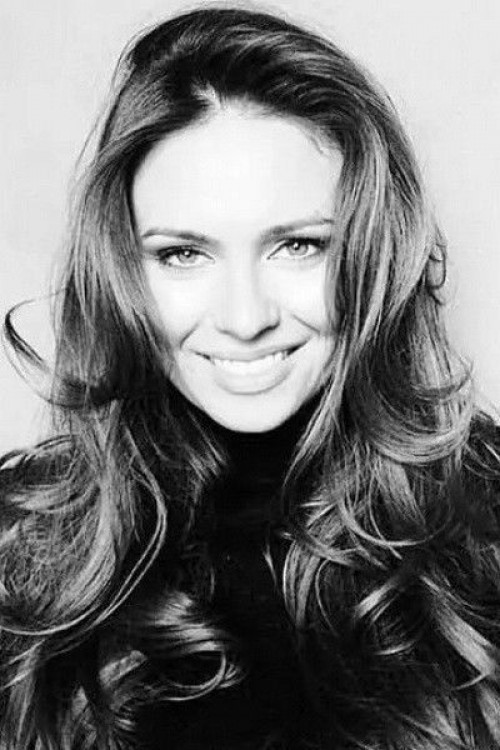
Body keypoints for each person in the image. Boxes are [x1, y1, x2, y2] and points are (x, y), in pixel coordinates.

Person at [1, 4, 500, 749]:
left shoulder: (485, 522)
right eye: (183, 254)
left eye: (298, 245)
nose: (244, 318)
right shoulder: (20, 549)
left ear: (372, 252)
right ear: (120, 271)